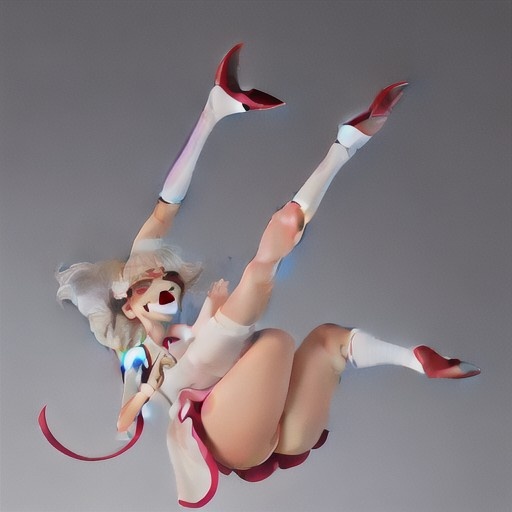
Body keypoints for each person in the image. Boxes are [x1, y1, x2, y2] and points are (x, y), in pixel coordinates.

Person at [40, 44, 480, 508]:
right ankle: (335, 158)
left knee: (328, 342)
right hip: (224, 428)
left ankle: (414, 358)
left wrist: (211, 118)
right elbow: (124, 420)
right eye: (150, 290)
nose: (164, 289)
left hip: (274, 425)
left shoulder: (181, 329)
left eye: (168, 284)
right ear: (129, 306)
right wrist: (148, 386)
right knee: (265, 320)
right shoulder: (136, 353)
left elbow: (164, 213)